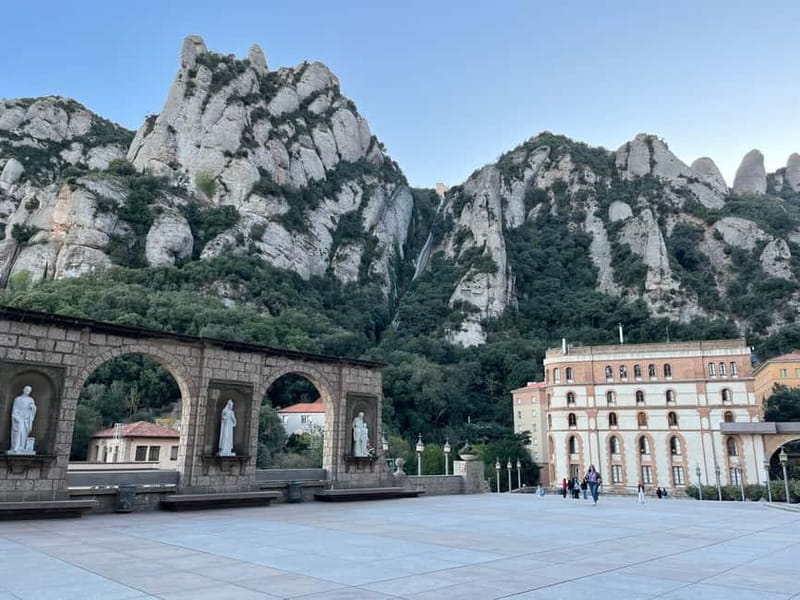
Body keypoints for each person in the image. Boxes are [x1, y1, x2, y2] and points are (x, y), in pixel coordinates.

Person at [10, 385, 37, 454]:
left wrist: (33, 408)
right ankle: (15, 447)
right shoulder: (18, 399)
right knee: (18, 431)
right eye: (26, 389)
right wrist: (16, 417)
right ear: (23, 390)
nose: (27, 391)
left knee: (24, 433)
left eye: (29, 390)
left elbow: (33, 409)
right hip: (19, 417)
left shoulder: (30, 399)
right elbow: (15, 409)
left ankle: (22, 447)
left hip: (26, 418)